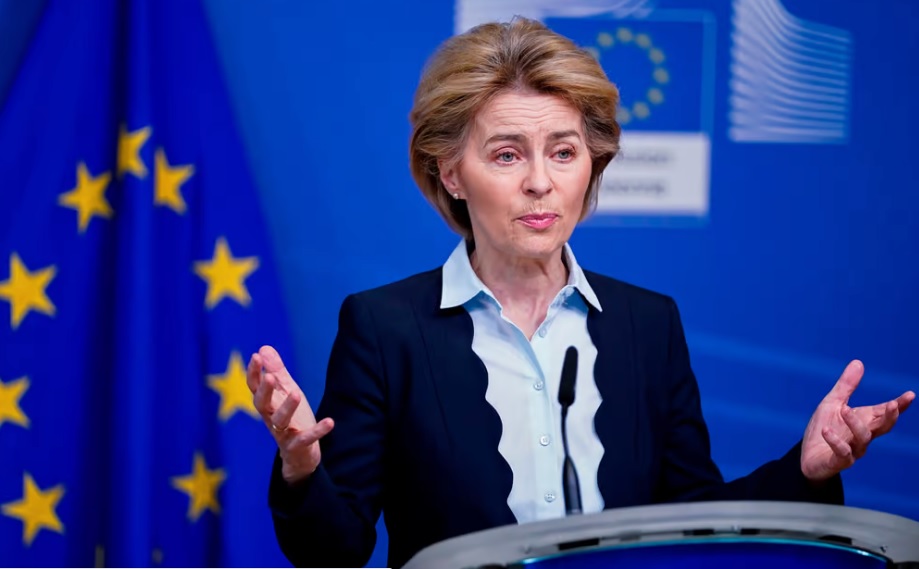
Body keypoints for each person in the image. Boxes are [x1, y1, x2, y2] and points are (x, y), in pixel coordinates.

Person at [246, 17, 915, 569]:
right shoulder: (385, 327)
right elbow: (333, 551)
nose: (540, 182)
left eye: (563, 152)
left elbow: (695, 522)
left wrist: (804, 469)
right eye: (507, 154)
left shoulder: (646, 324)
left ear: (591, 164)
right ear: (451, 172)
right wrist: (303, 468)